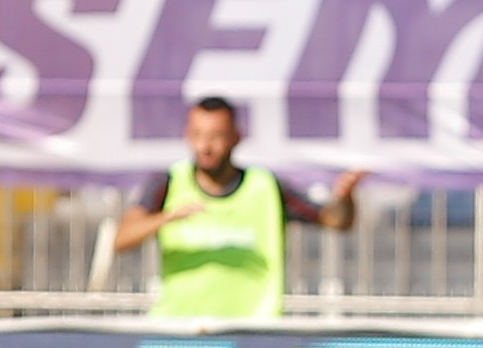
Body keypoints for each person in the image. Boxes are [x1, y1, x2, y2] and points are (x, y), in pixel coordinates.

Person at [115, 96, 362, 320]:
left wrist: (345, 197)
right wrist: (167, 217)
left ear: (236, 137)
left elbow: (336, 221)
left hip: (252, 335)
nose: (205, 146)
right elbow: (122, 238)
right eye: (198, 135)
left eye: (216, 136)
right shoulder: (169, 184)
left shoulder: (265, 187)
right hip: (182, 334)